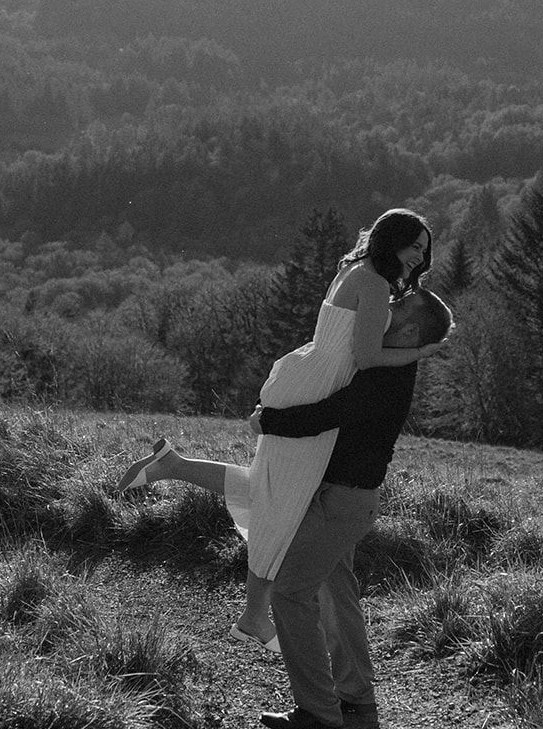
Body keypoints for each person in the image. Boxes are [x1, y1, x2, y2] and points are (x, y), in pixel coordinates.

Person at [117, 209, 441, 650]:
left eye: (424, 251)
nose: (418, 259)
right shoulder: (374, 282)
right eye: (414, 247)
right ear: (393, 240)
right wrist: (419, 351)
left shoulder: (355, 269)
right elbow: (365, 358)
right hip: (315, 390)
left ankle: (173, 466)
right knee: (281, 500)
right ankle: (253, 618)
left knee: (273, 489)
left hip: (304, 376)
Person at [255, 285, 454, 729]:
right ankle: (355, 694)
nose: (384, 304)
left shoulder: (389, 378)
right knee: (335, 592)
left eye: (399, 305)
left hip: (342, 501)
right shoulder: (384, 366)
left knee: (289, 591)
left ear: (408, 329)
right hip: (347, 499)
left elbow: (329, 412)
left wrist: (269, 420)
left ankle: (319, 709)